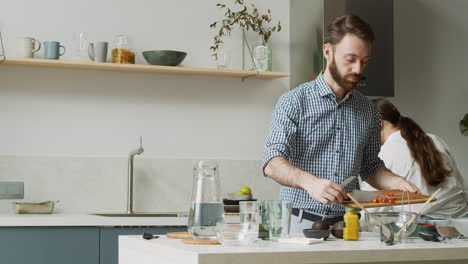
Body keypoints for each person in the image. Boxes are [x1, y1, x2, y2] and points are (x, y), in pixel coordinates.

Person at [262, 14, 419, 233]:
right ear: (328, 51)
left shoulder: (369, 110)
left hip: (349, 224)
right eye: (350, 59)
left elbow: (370, 166)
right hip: (299, 224)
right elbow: (272, 163)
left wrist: (395, 182)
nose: (358, 69)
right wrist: (311, 183)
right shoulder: (294, 102)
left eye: (364, 61)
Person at [361, 98, 468, 219]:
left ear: (379, 124)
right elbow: (460, 186)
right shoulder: (435, 139)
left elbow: (371, 208)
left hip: (424, 228)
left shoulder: (383, 153)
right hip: (461, 220)